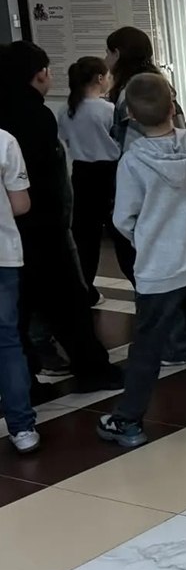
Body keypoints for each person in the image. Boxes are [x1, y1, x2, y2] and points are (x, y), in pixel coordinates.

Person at [99, 74, 186, 448]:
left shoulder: (133, 161)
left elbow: (123, 219)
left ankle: (129, 420)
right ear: (173, 106)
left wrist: (147, 237)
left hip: (157, 271)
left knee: (148, 346)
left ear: (130, 115)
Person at [0, 41, 122, 394]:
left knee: (17, 311)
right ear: (39, 74)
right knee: (68, 301)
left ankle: (24, 379)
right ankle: (93, 369)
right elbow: (44, 179)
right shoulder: (36, 116)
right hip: (42, 226)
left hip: (11, 231)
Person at [105, 26, 186, 366]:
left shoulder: (131, 92)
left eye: (109, 52)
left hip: (146, 190)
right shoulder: (160, 84)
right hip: (174, 189)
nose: (106, 59)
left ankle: (171, 342)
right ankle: (181, 338)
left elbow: (128, 146)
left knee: (146, 268)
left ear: (118, 54)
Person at [58, 56, 119, 303]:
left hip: (81, 174)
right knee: (122, 235)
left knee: (85, 238)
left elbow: (65, 139)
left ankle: (85, 291)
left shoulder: (66, 110)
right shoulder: (108, 110)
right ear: (100, 78)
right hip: (109, 173)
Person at [0, 129, 38, 453]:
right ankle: (22, 428)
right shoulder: (5, 141)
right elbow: (21, 204)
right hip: (3, 254)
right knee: (7, 342)